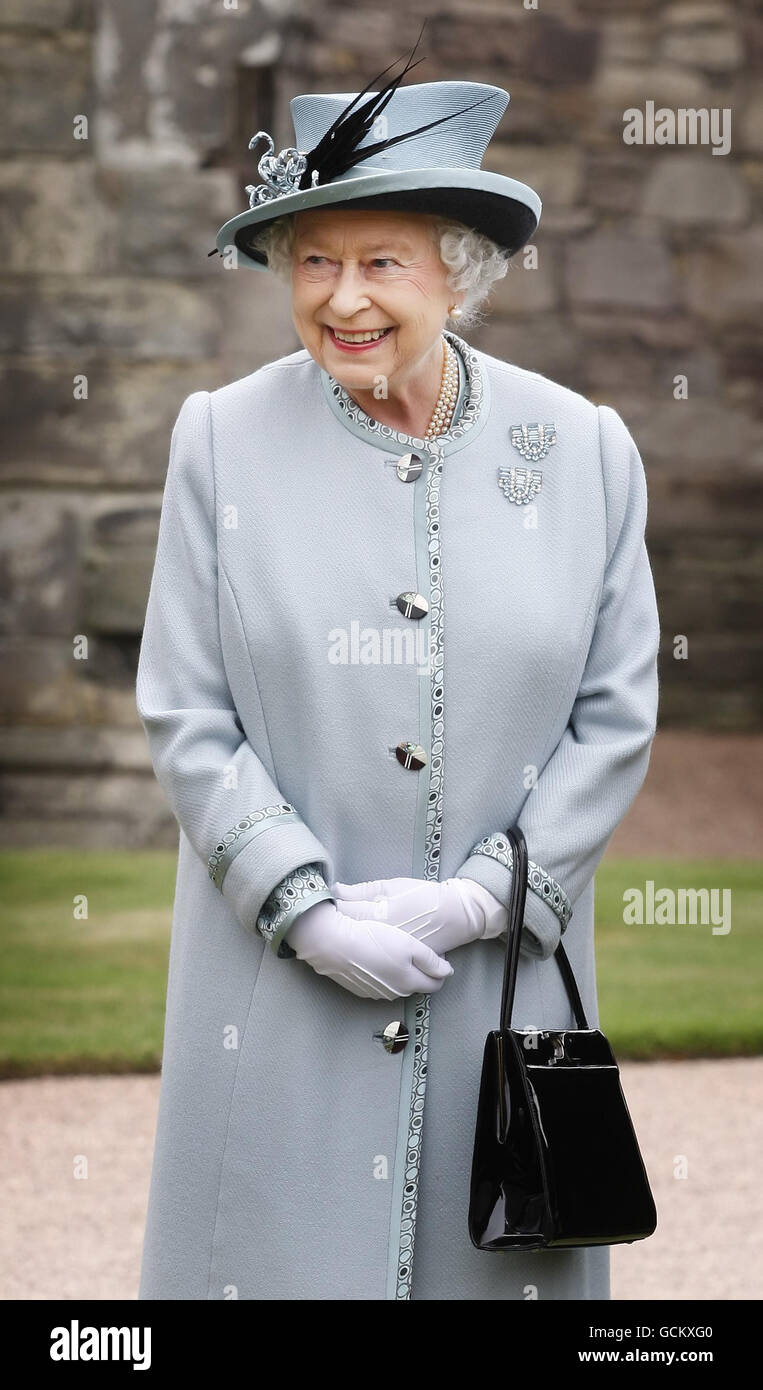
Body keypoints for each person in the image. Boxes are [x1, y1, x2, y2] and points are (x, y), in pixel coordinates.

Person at [136, 40, 660, 1301]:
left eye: (382, 261)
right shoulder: (220, 441)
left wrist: (484, 900)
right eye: (313, 260)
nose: (343, 298)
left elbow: (615, 711)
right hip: (275, 998)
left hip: (497, 996)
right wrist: (302, 902)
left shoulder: (581, 450)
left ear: (456, 273)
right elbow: (187, 713)